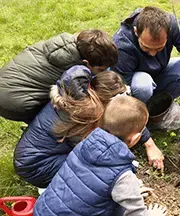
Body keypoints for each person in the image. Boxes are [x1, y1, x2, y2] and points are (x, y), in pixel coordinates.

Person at [34, 95, 167, 216]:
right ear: (135, 139)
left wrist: (132, 191)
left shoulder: (85, 144)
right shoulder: (122, 176)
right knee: (121, 211)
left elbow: (92, 183)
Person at [14, 66, 162, 189]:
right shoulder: (83, 116)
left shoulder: (84, 97)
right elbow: (97, 154)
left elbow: (127, 118)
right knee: (100, 179)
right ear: (104, 102)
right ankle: (53, 187)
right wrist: (125, 176)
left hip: (39, 155)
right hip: (38, 166)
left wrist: (149, 143)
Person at [0, 29, 117, 123]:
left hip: (5, 84)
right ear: (86, 63)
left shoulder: (65, 45)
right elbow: (82, 103)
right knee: (64, 108)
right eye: (100, 70)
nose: (103, 72)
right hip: (13, 103)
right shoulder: (73, 72)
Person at [113, 6, 180, 103]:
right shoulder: (122, 46)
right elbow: (122, 90)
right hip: (136, 86)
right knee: (143, 85)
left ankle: (157, 106)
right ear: (136, 32)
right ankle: (142, 111)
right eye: (146, 47)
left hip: (158, 74)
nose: (153, 54)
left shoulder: (173, 25)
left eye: (159, 48)